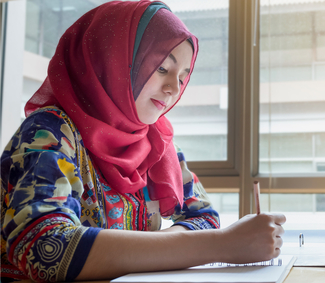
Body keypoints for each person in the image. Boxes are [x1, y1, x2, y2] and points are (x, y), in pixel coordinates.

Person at [0, 1, 285, 282]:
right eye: (162, 69)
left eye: (183, 77)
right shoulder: (50, 132)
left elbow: (204, 218)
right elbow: (46, 249)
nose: (174, 88)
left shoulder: (157, 141)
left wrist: (164, 248)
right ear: (110, 60)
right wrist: (222, 245)